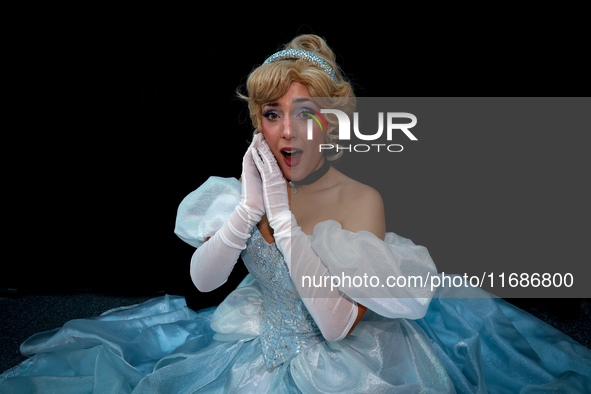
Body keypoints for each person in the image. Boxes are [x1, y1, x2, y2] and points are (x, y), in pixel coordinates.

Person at [1, 34, 590, 393]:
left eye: (304, 112)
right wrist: (249, 210)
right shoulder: (245, 189)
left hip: (346, 361)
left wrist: (282, 223)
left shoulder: (361, 200)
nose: (286, 131)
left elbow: (338, 326)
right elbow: (203, 281)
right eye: (271, 113)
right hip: (253, 336)